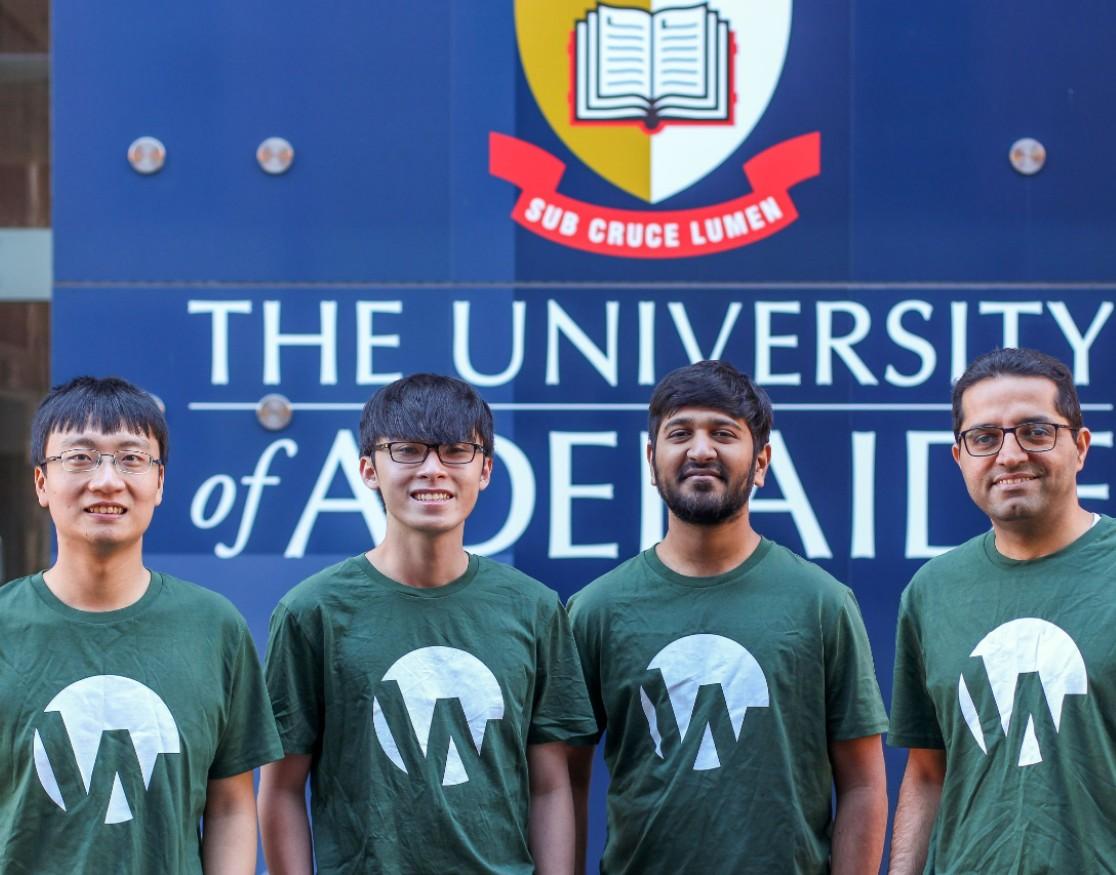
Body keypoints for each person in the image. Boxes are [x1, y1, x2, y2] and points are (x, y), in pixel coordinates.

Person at [259, 373, 597, 874]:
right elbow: (281, 788)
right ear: (368, 469)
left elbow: (550, 786)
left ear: (484, 470)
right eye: (408, 450)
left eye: (456, 451)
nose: (433, 470)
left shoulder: (534, 608)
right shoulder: (312, 612)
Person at [567, 360, 889, 875]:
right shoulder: (596, 610)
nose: (700, 450)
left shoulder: (822, 603)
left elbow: (864, 784)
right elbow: (563, 781)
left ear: (761, 462)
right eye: (680, 433)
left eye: (722, 433)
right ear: (652, 461)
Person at [0, 376, 282, 874]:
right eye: (80, 457)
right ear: (42, 483)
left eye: (131, 459)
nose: (107, 480)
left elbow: (231, 805)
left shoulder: (214, 628)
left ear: (159, 482)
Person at [889, 347, 1113, 873]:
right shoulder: (931, 591)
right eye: (984, 437)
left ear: (1080, 447)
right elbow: (926, 772)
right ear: (959, 457)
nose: (1010, 455)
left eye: (1036, 431)